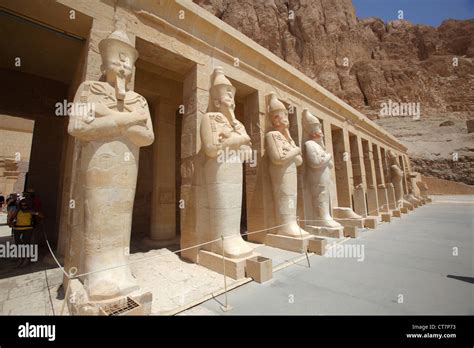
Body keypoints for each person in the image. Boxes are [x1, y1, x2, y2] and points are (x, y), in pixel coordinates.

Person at [8, 199, 42, 268]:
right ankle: (21, 258)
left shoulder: (31, 211)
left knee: (26, 244)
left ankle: (26, 259)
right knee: (18, 244)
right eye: (22, 205)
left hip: (28, 229)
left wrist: (36, 213)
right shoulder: (18, 211)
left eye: (25, 205)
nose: (24, 206)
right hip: (17, 229)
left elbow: (42, 216)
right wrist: (11, 223)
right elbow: (11, 218)